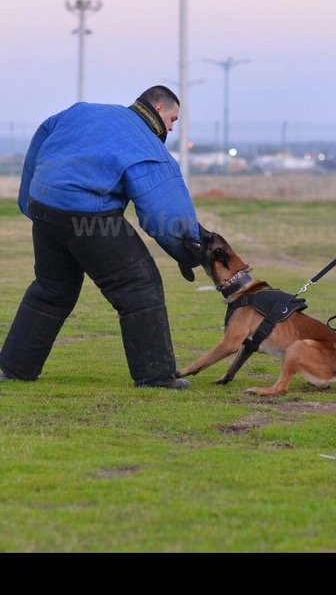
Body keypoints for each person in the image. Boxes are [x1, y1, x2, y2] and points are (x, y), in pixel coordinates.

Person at [0, 86, 201, 389]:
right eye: (173, 120)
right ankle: (155, 377)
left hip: (45, 207)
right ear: (159, 110)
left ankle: (13, 368)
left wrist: (29, 200)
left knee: (52, 289)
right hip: (87, 216)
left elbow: (41, 139)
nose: (172, 128)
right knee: (139, 286)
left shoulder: (83, 112)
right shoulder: (145, 142)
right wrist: (188, 251)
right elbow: (165, 209)